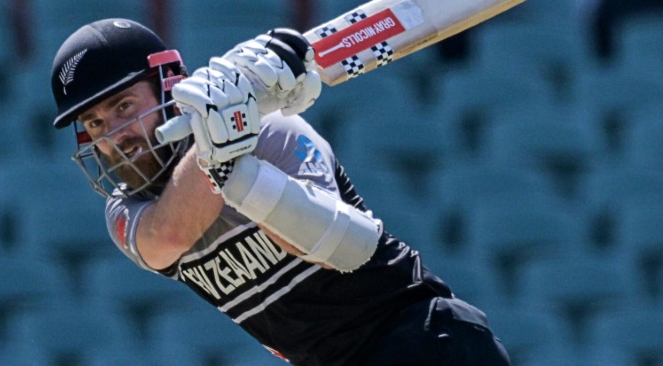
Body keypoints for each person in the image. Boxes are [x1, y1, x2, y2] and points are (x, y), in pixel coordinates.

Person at [50, 18, 511, 366]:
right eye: (96, 123)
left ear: (169, 87)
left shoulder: (270, 129)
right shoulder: (127, 210)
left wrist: (233, 153)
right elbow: (168, 235)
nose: (116, 135)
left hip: (420, 341)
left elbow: (340, 247)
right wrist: (220, 150)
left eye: (124, 106)